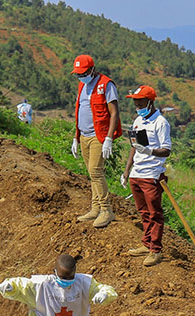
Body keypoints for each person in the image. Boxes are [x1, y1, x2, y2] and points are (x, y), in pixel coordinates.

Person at [121, 85, 172, 268]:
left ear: (150, 102)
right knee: (143, 212)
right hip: (137, 173)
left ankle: (155, 250)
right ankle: (147, 243)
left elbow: (166, 150)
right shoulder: (138, 121)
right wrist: (127, 172)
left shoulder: (160, 123)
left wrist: (150, 151)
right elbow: (134, 148)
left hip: (151, 174)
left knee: (154, 213)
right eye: (135, 101)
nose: (137, 105)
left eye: (140, 101)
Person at [70, 54, 121, 229]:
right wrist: (76, 137)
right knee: (91, 173)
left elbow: (114, 112)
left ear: (92, 69)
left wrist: (108, 138)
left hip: (98, 136)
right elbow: (79, 110)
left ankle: (106, 210)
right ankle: (95, 207)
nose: (80, 76)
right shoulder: (82, 85)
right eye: (77, 74)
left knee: (95, 170)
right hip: (83, 135)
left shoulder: (106, 85)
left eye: (82, 73)